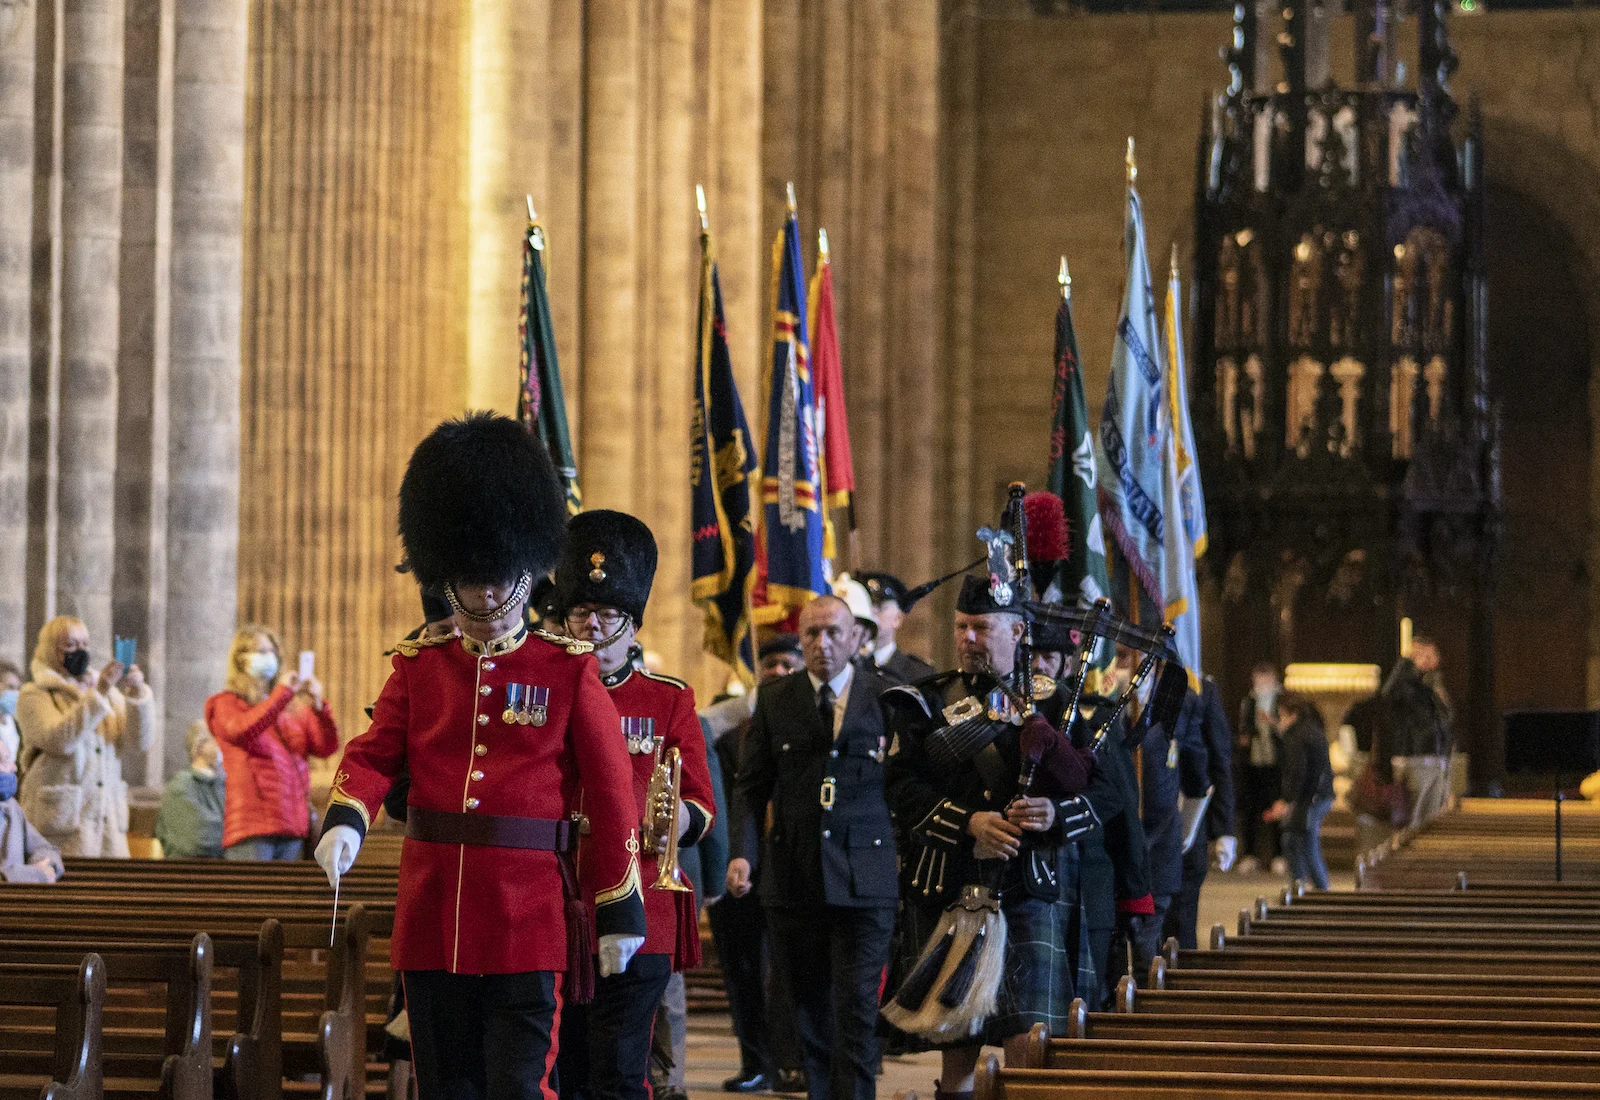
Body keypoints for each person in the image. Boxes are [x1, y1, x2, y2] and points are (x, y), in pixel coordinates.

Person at [313, 413, 647, 1100]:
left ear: (523, 573)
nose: (486, 593)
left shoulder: (566, 667)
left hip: (528, 917)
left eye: (496, 577)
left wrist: (620, 903)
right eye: (471, 579)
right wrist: (346, 817)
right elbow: (374, 754)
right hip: (433, 912)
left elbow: (612, 790)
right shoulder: (419, 666)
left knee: (520, 1088)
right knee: (445, 1087)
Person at [882, 576, 1095, 1100]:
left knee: (1028, 1033)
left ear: (1017, 631)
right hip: (954, 879)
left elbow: (1105, 791)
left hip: (1028, 881)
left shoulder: (1057, 704)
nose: (967, 638)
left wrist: (1055, 813)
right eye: (961, 627)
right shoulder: (926, 702)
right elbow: (899, 787)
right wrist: (968, 822)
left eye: (980, 627)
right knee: (957, 1029)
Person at [551, 509, 716, 1100]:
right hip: (560, 902)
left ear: (633, 626)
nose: (592, 625)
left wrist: (674, 818)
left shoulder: (667, 699)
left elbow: (701, 802)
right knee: (563, 1069)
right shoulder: (544, 693)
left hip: (642, 899)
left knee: (620, 1072)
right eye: (580, 612)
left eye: (607, 614)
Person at [728, 595, 897, 1100]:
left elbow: (907, 784)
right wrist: (743, 853)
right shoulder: (777, 699)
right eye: (812, 633)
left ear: (856, 637)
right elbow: (751, 787)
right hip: (795, 877)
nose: (822, 643)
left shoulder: (887, 696)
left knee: (857, 1009)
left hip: (865, 879)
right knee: (810, 1014)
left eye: (833, 632)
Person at [704, 633, 807, 1095]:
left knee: (791, 969)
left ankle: (792, 1061)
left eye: (788, 664)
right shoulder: (728, 724)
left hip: (790, 865)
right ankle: (755, 1062)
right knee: (741, 969)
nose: (778, 672)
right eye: (770, 664)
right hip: (736, 864)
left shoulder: (811, 719)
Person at [17, 615, 154, 857]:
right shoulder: (35, 694)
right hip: (61, 825)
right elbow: (59, 740)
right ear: (50, 650)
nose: (80, 651)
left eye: (84, 644)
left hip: (107, 822)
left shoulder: (107, 693)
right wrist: (98, 693)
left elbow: (137, 743)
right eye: (70, 645)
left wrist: (137, 694)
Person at [207, 625, 340, 860]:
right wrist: (282, 694)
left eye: (272, 651)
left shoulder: (289, 707)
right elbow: (242, 731)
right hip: (251, 825)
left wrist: (319, 707)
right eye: (260, 651)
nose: (268, 657)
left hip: (292, 823)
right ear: (240, 659)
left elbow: (324, 747)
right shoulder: (226, 703)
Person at [1109, 646, 1208, 952]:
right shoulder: (1101, 702)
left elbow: (1196, 773)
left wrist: (1188, 828)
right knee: (1112, 949)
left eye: (1130, 657)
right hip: (1113, 846)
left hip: (1158, 845)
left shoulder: (1180, 702)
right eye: (1119, 657)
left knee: (1146, 947)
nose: (1124, 665)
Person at [1164, 675, 1236, 950]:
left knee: (1180, 925)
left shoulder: (1201, 690)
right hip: (1143, 828)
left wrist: (1224, 829)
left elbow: (1219, 762)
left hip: (1186, 822)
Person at [1378, 636, 1453, 827]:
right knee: (1414, 817)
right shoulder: (1406, 684)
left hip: (1437, 758)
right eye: (1421, 655)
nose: (1427, 660)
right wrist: (1407, 662)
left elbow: (1446, 720)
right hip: (1414, 756)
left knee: (1432, 818)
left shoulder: (1433, 685)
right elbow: (1388, 694)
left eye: (1431, 655)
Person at [1265, 692, 1334, 889]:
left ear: (1292, 714)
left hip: (1310, 798)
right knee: (1295, 840)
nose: (1280, 719)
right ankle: (1302, 886)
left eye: (1281, 714)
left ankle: (1317, 889)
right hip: (1318, 795)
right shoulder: (1311, 730)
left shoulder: (1297, 735)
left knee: (1303, 842)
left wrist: (1287, 800)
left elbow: (1297, 771)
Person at [155, 720, 228, 859]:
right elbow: (197, 837)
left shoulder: (222, 782)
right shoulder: (181, 785)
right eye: (217, 738)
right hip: (190, 868)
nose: (224, 745)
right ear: (199, 747)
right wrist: (237, 833)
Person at [1235, 661, 1283, 872]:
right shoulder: (1249, 701)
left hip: (1275, 763)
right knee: (1251, 809)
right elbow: (1243, 727)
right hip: (1253, 762)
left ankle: (1279, 855)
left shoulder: (1281, 700)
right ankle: (1249, 854)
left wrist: (1272, 723)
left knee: (1276, 809)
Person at [0, 733, 63, 882]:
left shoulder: (12, 807)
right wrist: (34, 874)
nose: (14, 767)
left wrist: (44, 865)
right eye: (5, 760)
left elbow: (45, 849)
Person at [858, 572, 935, 686]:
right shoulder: (850, 665)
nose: (870, 614)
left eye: (879, 607)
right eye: (866, 607)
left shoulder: (919, 674)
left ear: (897, 618)